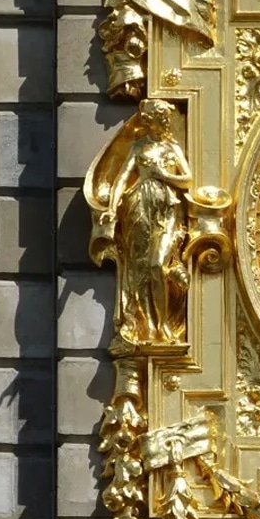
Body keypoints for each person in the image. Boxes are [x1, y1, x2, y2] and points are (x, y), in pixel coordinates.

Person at [87, 100, 193, 346]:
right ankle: (150, 327)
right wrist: (112, 209)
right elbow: (123, 177)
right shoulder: (139, 147)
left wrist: (163, 175)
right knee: (142, 269)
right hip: (139, 205)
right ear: (149, 121)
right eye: (159, 118)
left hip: (166, 210)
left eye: (163, 119)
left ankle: (165, 326)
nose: (163, 123)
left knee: (157, 264)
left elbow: (187, 179)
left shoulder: (171, 148)